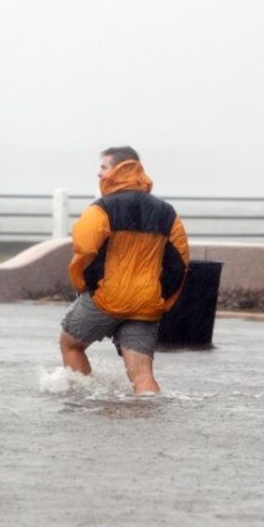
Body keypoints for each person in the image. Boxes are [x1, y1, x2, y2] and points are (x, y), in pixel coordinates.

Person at [59, 146, 190, 394]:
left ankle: (86, 399)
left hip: (106, 299)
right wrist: (162, 298)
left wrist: (84, 286)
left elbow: (84, 246)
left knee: (70, 345)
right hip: (147, 302)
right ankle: (149, 418)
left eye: (103, 167)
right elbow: (180, 262)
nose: (99, 173)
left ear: (119, 169)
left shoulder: (101, 209)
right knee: (142, 375)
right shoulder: (167, 213)